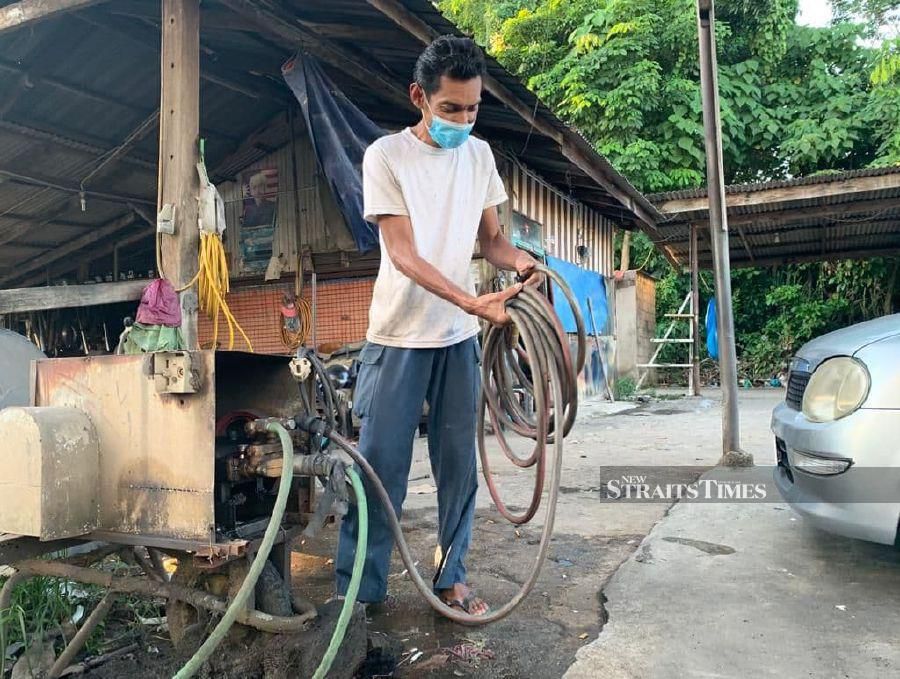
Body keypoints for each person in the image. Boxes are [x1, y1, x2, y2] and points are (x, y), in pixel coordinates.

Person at [334, 35, 539, 616]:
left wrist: (521, 261)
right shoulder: (386, 157)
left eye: (473, 109)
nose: (464, 120)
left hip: (457, 342)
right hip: (397, 338)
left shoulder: (479, 157)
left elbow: (492, 242)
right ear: (420, 97)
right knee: (379, 472)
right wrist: (473, 302)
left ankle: (451, 578)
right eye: (451, 108)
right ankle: (359, 591)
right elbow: (403, 254)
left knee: (458, 467)